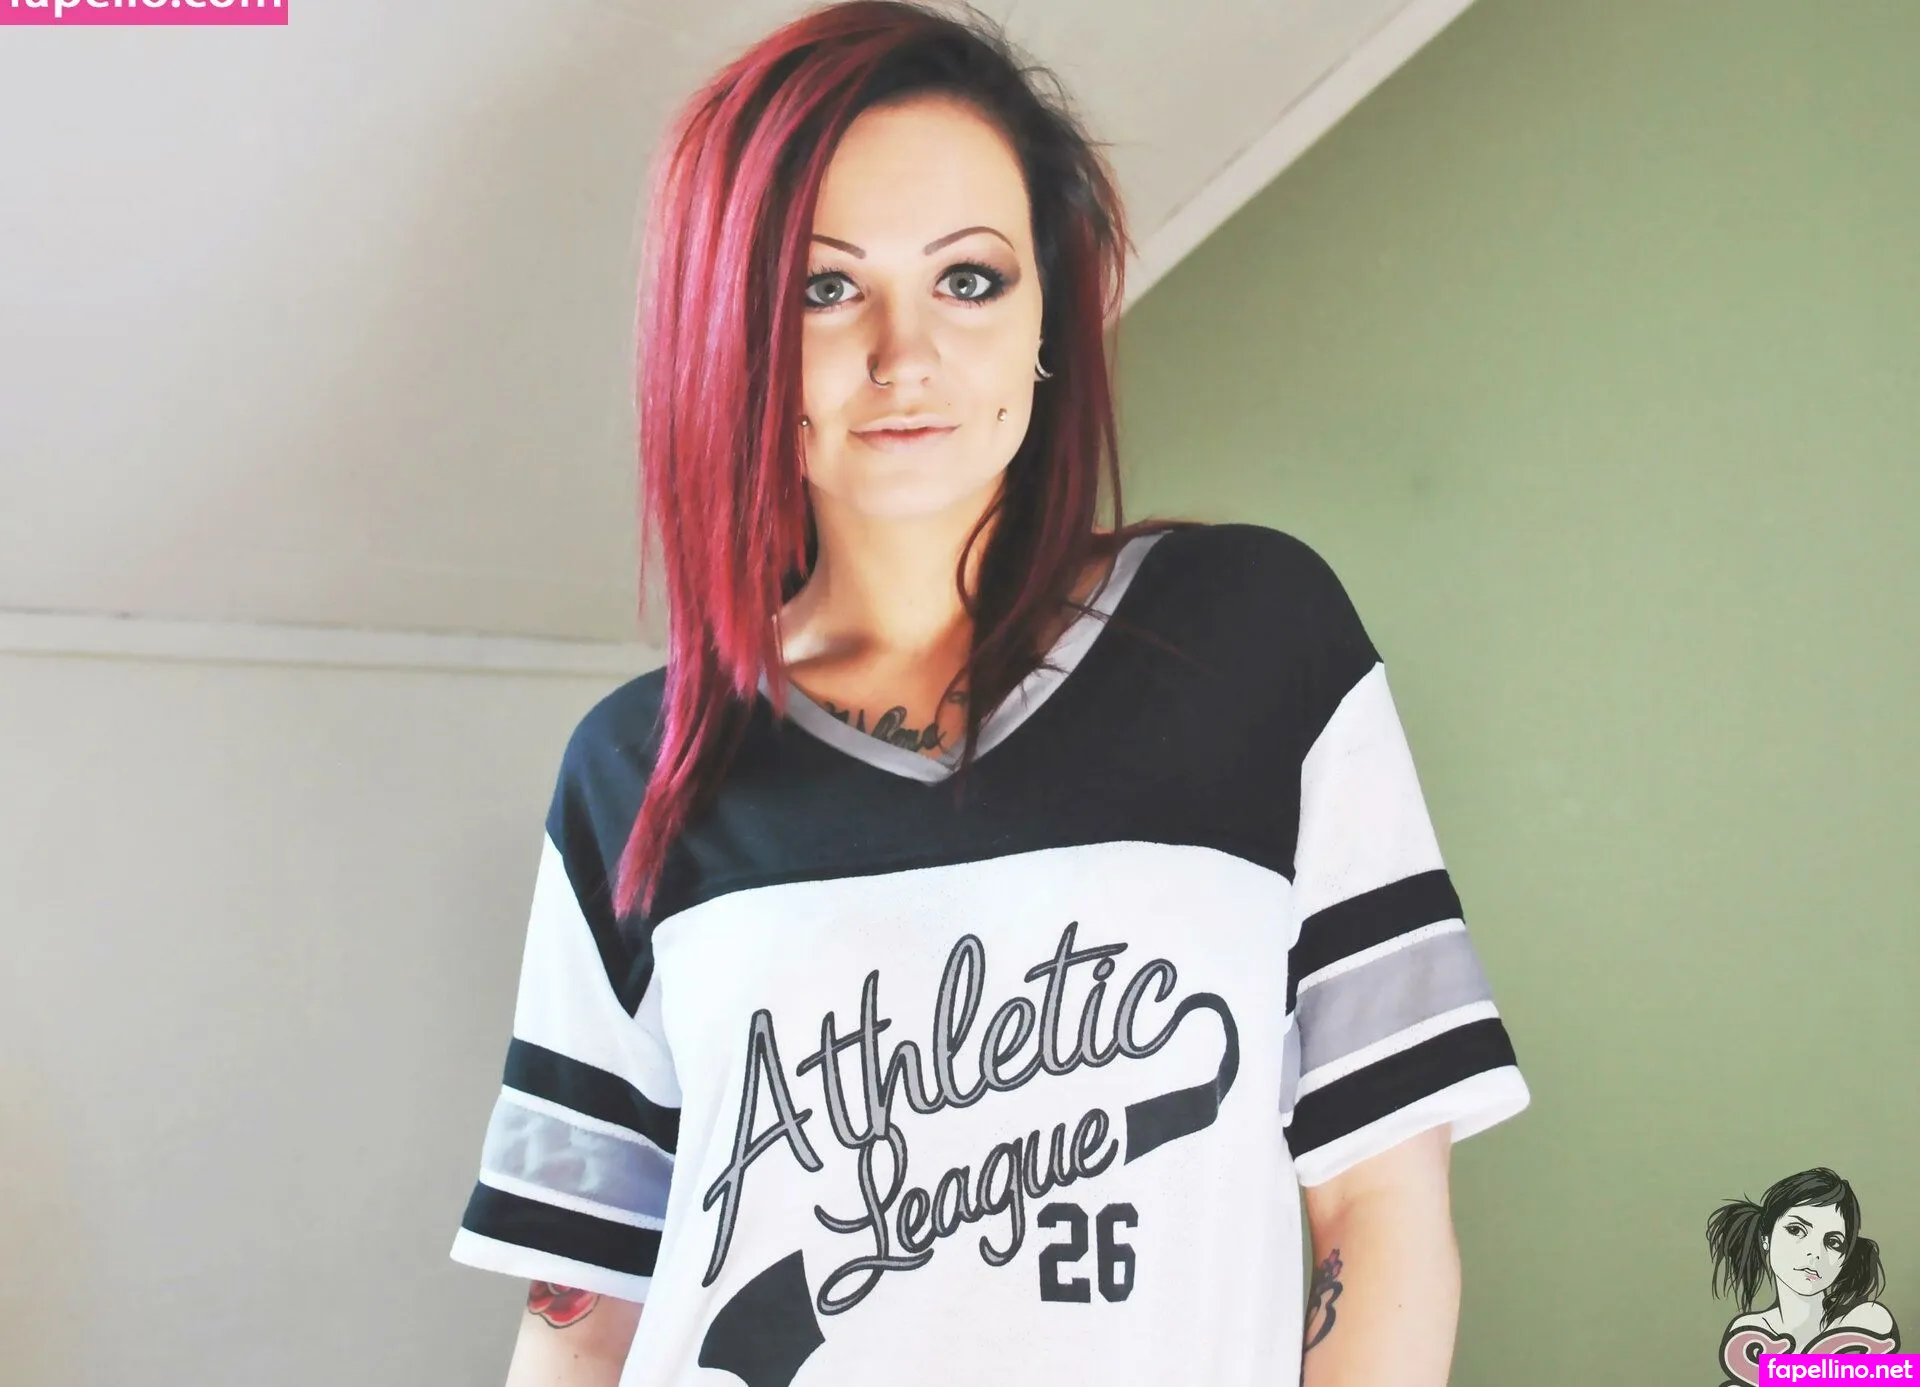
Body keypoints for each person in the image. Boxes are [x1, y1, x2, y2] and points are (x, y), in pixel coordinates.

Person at [448, 3, 1531, 1384]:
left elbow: (1378, 1208)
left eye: (969, 278)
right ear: (733, 329)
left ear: (1046, 316)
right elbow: (583, 1305)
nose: (904, 354)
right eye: (824, 288)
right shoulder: (638, 767)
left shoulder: (1258, 642)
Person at [1708, 1167, 1900, 1384]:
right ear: (1766, 1238)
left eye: (1833, 1242)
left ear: (1845, 1259)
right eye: (1796, 1230)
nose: (1815, 1253)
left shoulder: (1867, 1318)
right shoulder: (1750, 1331)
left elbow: (1899, 1375)